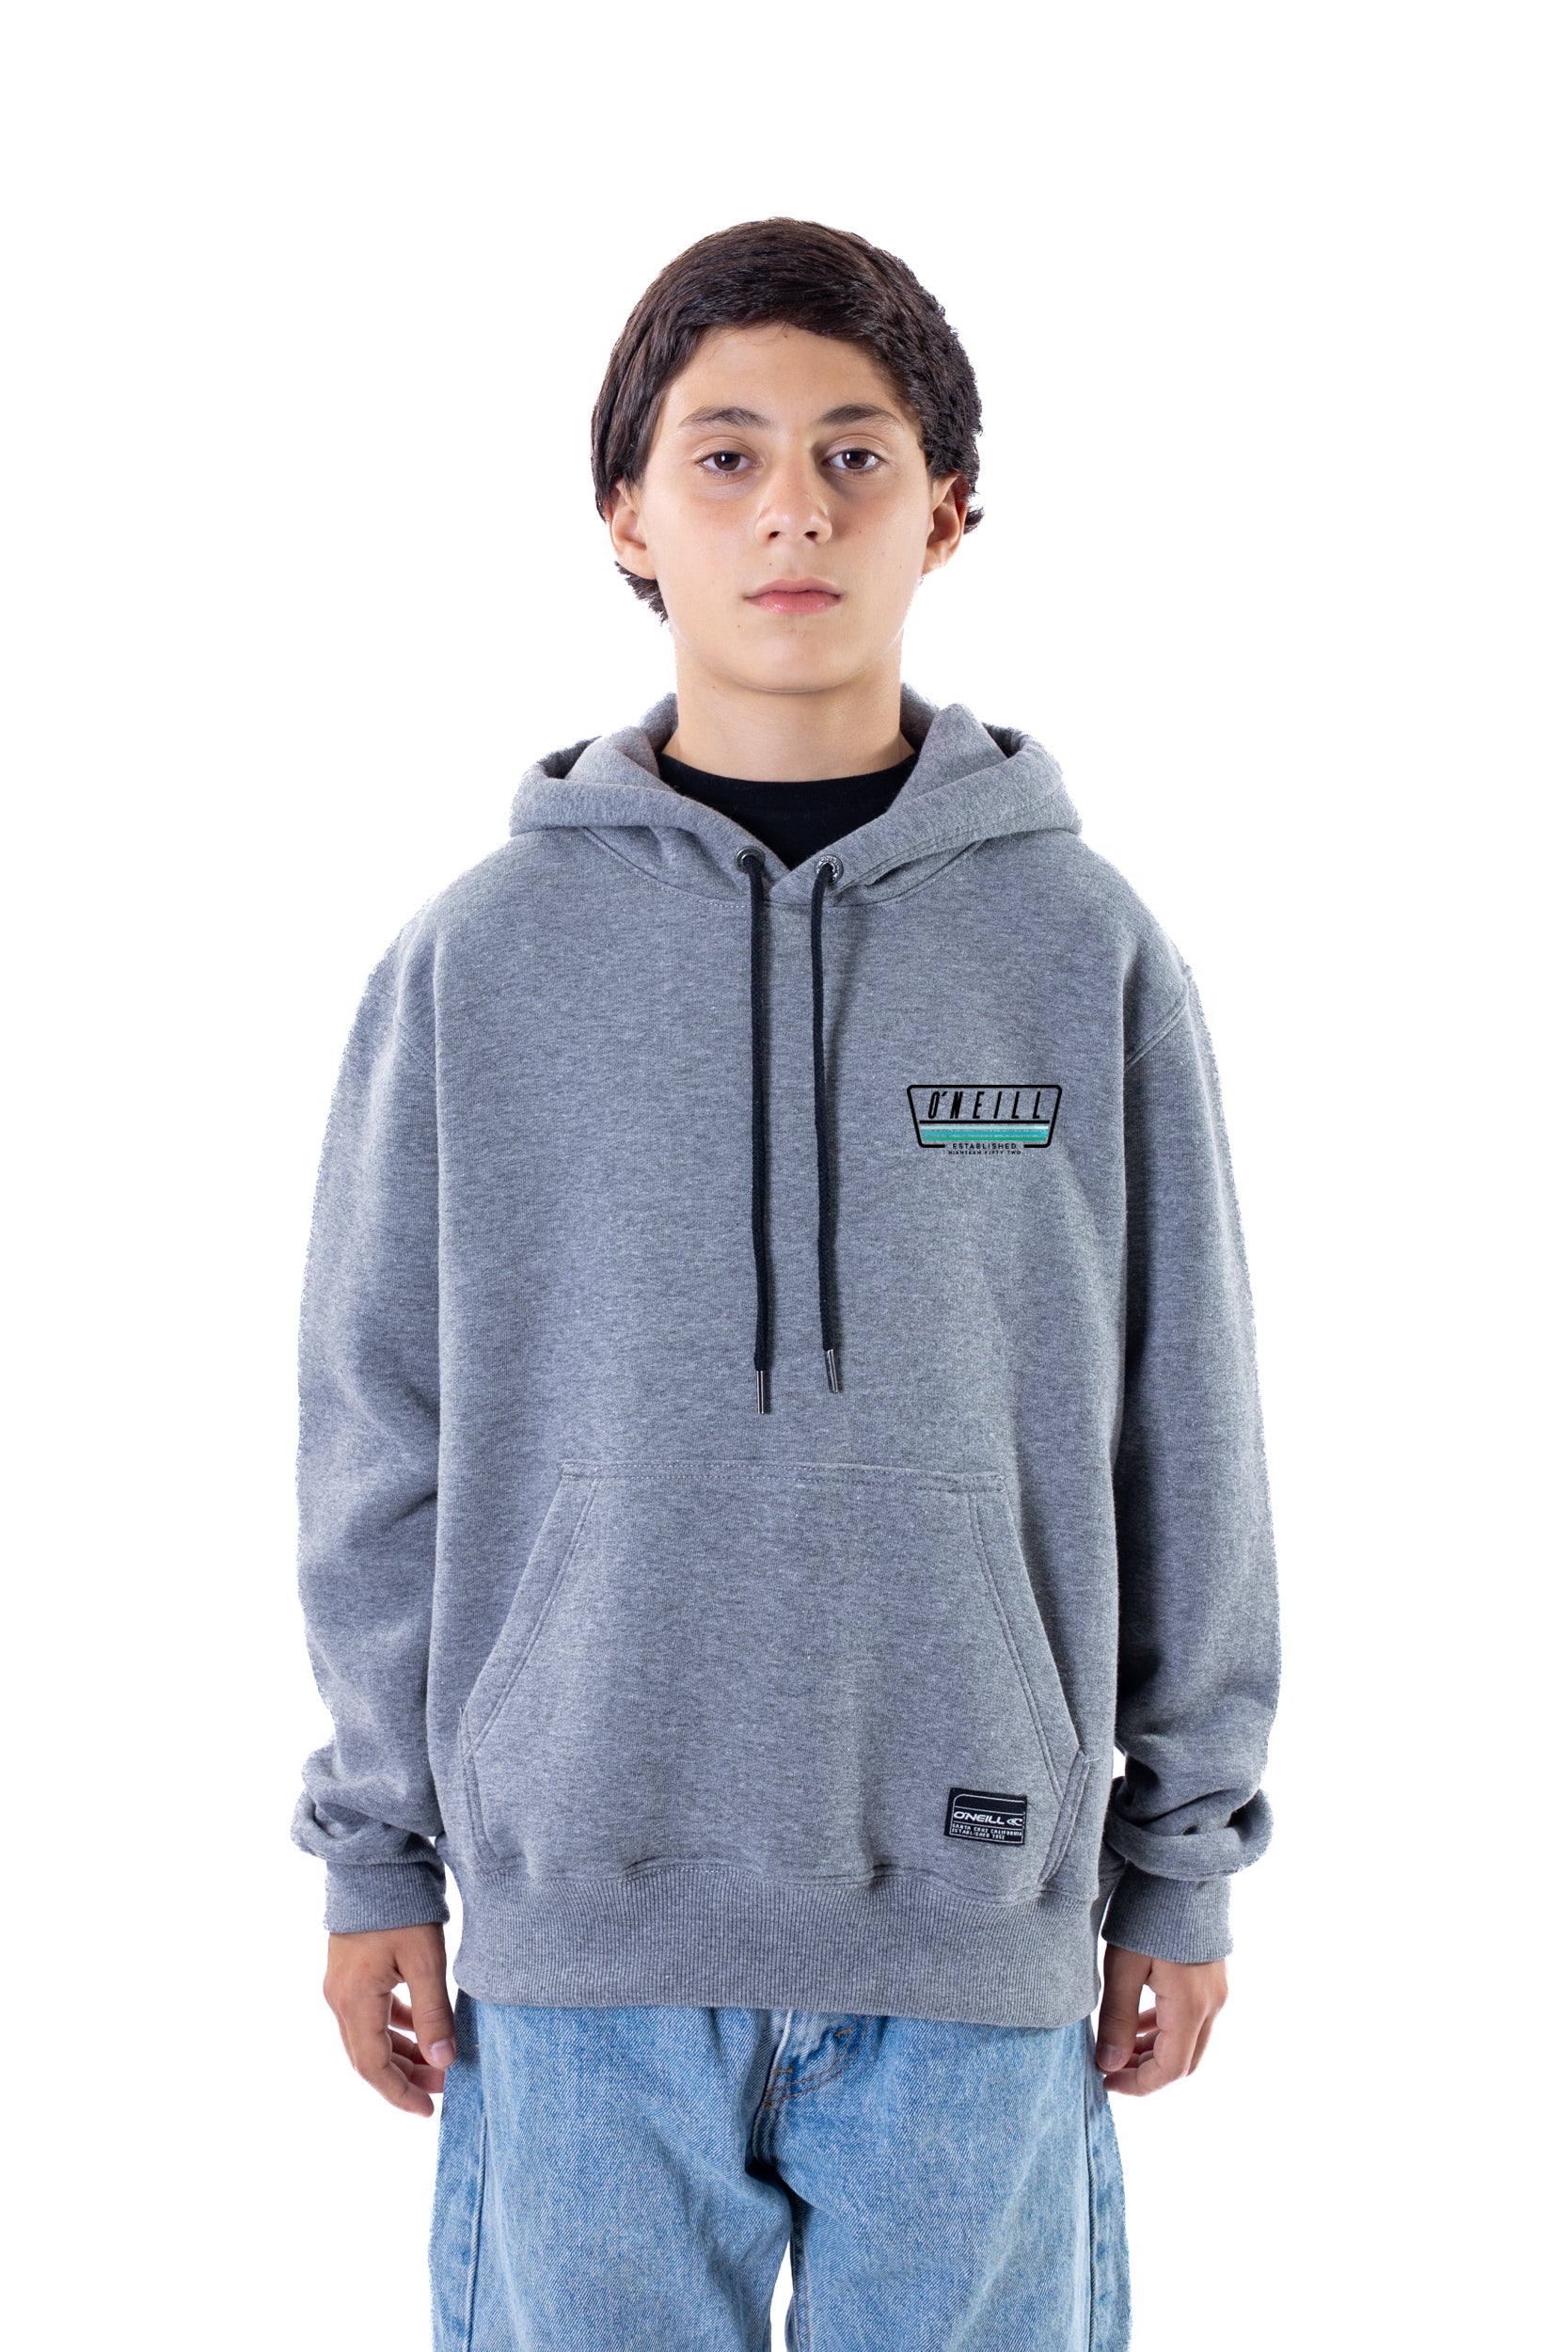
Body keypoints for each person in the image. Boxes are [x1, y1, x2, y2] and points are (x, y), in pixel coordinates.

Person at [291, 216, 1282, 2352]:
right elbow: (380, 1430)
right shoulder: (480, 961)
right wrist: (376, 1848)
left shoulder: (1081, 948)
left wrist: (1185, 1856)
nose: (793, 510)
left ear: (948, 510)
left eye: (855, 453)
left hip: (980, 1919)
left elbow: (1182, 1415)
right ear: (626, 515)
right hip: (577, 1938)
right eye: (725, 455)